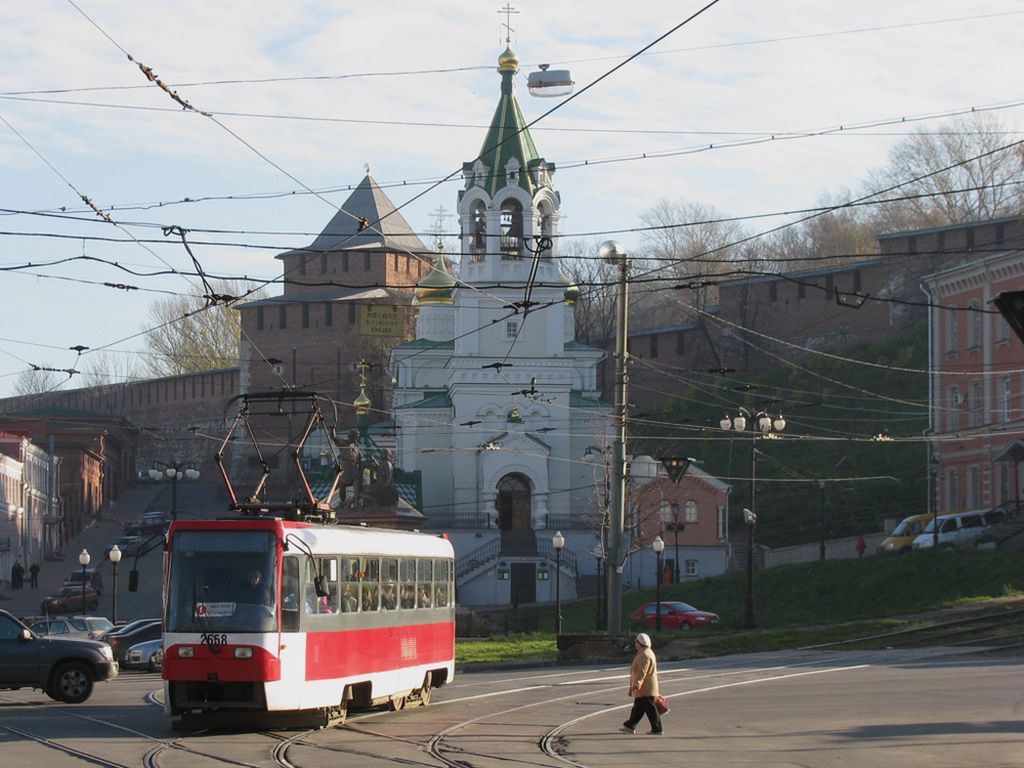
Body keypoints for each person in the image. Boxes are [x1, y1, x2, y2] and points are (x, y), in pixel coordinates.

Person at [620, 632, 663, 735]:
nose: (635, 644)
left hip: (645, 688)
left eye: (636, 642)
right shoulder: (647, 652)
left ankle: (657, 729)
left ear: (639, 643)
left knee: (649, 709)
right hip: (646, 688)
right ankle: (630, 726)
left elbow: (642, 671)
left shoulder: (644, 655)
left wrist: (637, 683)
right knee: (639, 707)